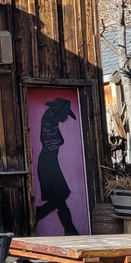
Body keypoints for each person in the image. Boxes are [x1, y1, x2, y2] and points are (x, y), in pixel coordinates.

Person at [36, 97, 80, 236]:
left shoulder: (50, 118)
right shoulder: (49, 119)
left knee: (60, 199)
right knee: (60, 196)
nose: (66, 117)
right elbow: (51, 137)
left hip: (49, 161)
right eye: (65, 114)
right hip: (48, 163)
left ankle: (70, 231)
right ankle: (69, 230)